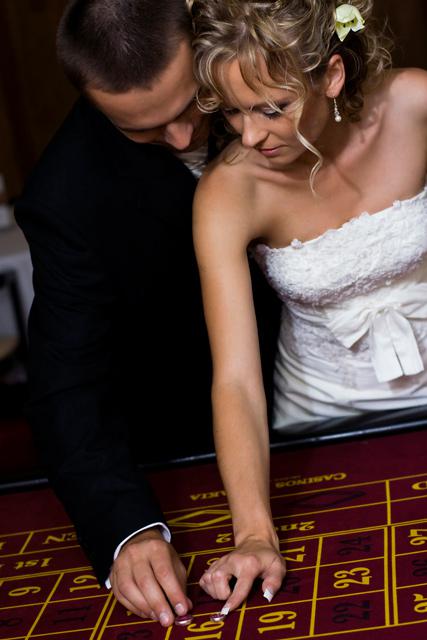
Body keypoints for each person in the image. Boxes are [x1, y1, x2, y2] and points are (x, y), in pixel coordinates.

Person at [14, 0, 280, 626]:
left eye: (191, 104)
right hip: (195, 435)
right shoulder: (66, 194)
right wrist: (126, 529)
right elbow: (67, 383)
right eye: (145, 129)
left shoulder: (274, 73)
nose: (183, 137)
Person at [188, 0, 427, 615]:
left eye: (272, 108)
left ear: (332, 75)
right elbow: (235, 380)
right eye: (233, 110)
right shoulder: (228, 191)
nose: (249, 135)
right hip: (320, 428)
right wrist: (253, 533)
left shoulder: (414, 103)